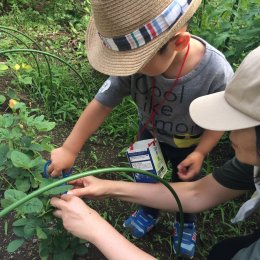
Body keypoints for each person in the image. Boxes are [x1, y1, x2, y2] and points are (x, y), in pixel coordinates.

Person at [48, 0, 234, 257]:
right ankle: (148, 211)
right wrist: (69, 147)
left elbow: (218, 121)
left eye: (134, 62)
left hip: (188, 144)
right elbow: (101, 104)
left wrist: (202, 152)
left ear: (178, 43)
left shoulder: (215, 72)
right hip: (149, 137)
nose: (127, 69)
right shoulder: (133, 66)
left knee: (185, 183)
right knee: (145, 177)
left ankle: (185, 221)